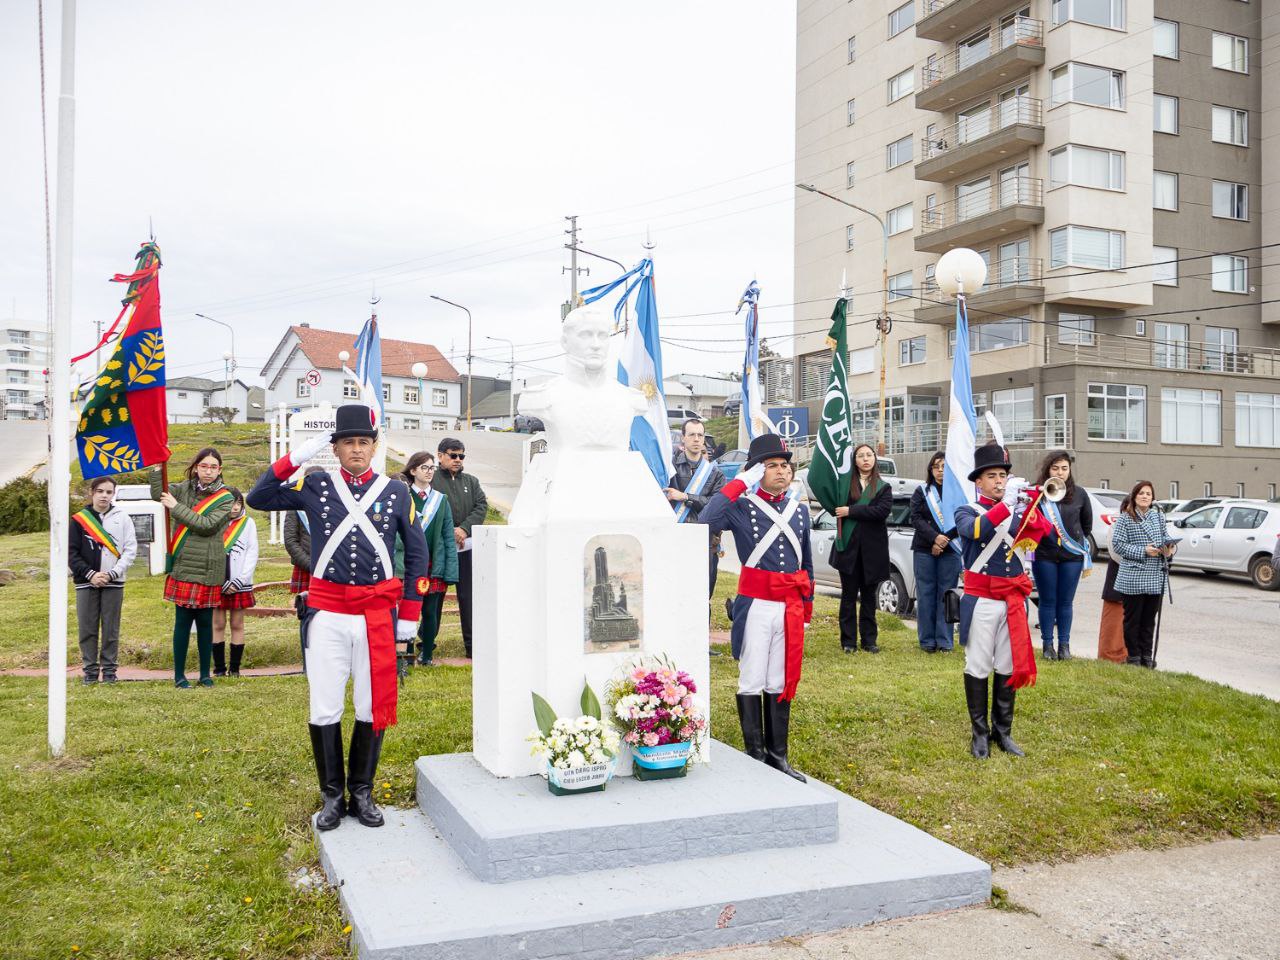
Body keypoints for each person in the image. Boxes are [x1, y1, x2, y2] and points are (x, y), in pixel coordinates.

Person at [248, 404, 427, 830]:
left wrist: (411, 614)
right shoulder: (315, 484)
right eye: (348, 442)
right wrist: (298, 454)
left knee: (370, 703)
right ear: (336, 447)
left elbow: (417, 553)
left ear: (374, 446)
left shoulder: (397, 492)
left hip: (376, 616)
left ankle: (361, 792)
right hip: (327, 612)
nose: (357, 450)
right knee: (325, 704)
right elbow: (258, 496)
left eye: (364, 442)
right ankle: (332, 796)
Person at [700, 434, 814, 782]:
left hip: (789, 605)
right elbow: (706, 518)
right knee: (752, 676)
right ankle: (755, 753)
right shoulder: (742, 507)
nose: (781, 472)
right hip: (757, 604)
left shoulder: (798, 510)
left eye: (785, 466)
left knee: (780, 678)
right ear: (756, 473)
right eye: (771, 466)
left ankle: (778, 755)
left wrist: (806, 607)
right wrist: (739, 483)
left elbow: (805, 562)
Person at [955, 441, 1053, 759]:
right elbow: (975, 532)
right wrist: (1007, 506)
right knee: (979, 664)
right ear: (978, 481)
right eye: (992, 476)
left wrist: (1031, 506)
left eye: (1003, 476)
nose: (999, 481)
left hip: (1011, 599)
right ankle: (979, 734)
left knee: (1008, 666)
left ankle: (1003, 732)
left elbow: (1042, 537)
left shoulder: (1015, 512)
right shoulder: (967, 510)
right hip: (981, 598)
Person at [152, 447, 235, 689]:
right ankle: (179, 675)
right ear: (196, 467)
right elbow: (159, 493)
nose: (208, 471)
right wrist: (158, 468)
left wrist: (175, 507)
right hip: (184, 563)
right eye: (204, 466)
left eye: (213, 467)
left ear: (220, 470)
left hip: (209, 566)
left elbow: (206, 525)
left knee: (206, 623)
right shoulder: (184, 488)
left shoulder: (226, 498)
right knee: (182, 622)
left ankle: (204, 674)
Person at [69, 476, 138, 683]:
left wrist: (113, 573)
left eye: (109, 492)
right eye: (100, 491)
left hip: (113, 582)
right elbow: (72, 553)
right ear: (92, 492)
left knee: (111, 629)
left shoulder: (122, 518)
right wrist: (91, 574)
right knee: (87, 628)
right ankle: (90, 671)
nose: (104, 496)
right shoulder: (79, 520)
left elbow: (130, 549)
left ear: (113, 494)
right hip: (86, 582)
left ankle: (109, 671)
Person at [1028, 451, 1093, 661]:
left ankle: (1064, 646)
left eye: (1064, 468)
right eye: (1055, 468)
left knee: (1065, 602)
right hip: (1044, 555)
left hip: (1071, 556)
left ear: (1070, 470)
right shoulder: (1037, 494)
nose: (1060, 472)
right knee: (1047, 600)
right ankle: (1048, 646)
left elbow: (1086, 525)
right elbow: (1028, 523)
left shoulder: (1080, 494)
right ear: (1048, 470)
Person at [828, 443, 891, 654]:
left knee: (868, 597)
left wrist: (851, 510)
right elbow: (837, 509)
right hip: (849, 550)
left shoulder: (884, 487)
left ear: (875, 459)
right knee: (848, 597)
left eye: (869, 455)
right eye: (861, 455)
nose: (865, 459)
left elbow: (880, 512)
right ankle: (848, 642)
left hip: (872, 552)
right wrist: (848, 510)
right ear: (854, 460)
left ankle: (869, 641)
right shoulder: (845, 485)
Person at [398, 452, 458, 667]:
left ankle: (428, 655)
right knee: (408, 609)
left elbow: (448, 536)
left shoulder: (441, 500)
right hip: (409, 564)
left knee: (431, 611)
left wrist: (451, 569)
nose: (430, 471)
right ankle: (408, 654)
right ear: (413, 471)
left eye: (432, 468)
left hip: (434, 564)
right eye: (425, 467)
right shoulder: (403, 496)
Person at [431, 437, 487, 659]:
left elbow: (481, 506)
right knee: (435, 597)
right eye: (452, 455)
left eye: (461, 456)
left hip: (467, 549)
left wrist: (464, 529)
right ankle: (427, 644)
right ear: (440, 455)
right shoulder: (432, 479)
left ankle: (472, 646)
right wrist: (449, 533)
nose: (457, 460)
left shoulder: (471, 482)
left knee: (468, 596)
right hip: (441, 550)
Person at [1110, 481, 1174, 669]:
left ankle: (1147, 656)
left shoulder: (1158, 517)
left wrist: (1169, 548)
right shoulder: (1125, 518)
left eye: (1148, 494)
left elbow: (1166, 537)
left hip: (1155, 575)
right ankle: (1134, 657)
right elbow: (1119, 545)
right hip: (1133, 576)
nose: (1145, 496)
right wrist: (1143, 551)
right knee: (1133, 620)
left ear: (1153, 498)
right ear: (1134, 496)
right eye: (1141, 493)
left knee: (1149, 620)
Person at [666, 418, 727, 597]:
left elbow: (717, 507)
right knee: (674, 593)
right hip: (675, 539)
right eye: (691, 434)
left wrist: (685, 497)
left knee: (702, 596)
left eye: (700, 435)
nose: (696, 439)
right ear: (683, 438)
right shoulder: (669, 470)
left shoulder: (716, 473)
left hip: (706, 541)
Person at [909, 451, 960, 653]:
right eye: (936, 467)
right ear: (930, 470)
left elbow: (962, 519)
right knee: (926, 594)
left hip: (951, 548)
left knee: (947, 595)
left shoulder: (958, 493)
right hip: (924, 548)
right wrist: (933, 538)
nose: (940, 471)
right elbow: (916, 518)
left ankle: (945, 641)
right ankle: (927, 641)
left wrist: (943, 541)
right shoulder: (922, 491)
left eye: (944, 467)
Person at [212, 489, 258, 677]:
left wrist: (240, 580)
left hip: (240, 583)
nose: (235, 506)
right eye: (231, 502)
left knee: (237, 624)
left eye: (238, 502)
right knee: (218, 624)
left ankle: (235, 669)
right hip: (218, 583)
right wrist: (219, 580)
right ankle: (219, 668)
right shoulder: (215, 522)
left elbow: (252, 553)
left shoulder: (248, 523)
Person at [284, 465, 326, 595]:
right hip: (305, 567)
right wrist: (309, 565)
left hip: (328, 567)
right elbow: (290, 540)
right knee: (304, 611)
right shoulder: (296, 507)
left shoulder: (332, 506)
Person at [1096, 548, 1128, 664]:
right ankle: (1109, 656)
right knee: (1113, 622)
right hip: (1120, 572)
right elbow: (1115, 551)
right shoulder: (1115, 528)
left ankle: (1127, 655)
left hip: (1141, 577)